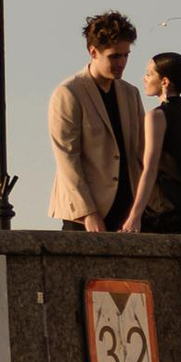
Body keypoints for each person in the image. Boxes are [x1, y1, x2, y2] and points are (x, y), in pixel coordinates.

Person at [47, 13, 146, 235]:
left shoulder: (131, 94)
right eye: (114, 56)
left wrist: (140, 211)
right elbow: (67, 159)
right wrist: (88, 213)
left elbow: (140, 155)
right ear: (93, 52)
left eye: (126, 56)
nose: (121, 63)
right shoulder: (68, 93)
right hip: (83, 217)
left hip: (126, 215)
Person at [120, 50, 181, 236]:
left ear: (164, 82)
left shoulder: (157, 116)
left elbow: (150, 169)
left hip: (169, 211)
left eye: (149, 74)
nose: (144, 79)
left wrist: (134, 216)